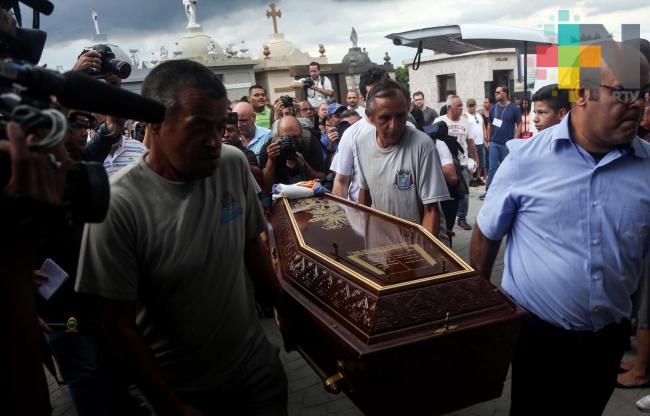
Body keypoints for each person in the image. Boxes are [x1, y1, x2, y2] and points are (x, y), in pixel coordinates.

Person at [75, 59, 288, 416]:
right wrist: (170, 405)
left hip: (256, 371)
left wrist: (286, 309)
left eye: (220, 127)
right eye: (199, 128)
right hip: (185, 391)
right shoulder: (118, 206)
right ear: (156, 123)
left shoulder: (232, 165)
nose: (213, 142)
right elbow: (119, 328)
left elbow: (252, 246)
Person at [470, 41, 650, 416]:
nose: (639, 104)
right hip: (539, 337)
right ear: (583, 93)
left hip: (608, 338)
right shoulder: (526, 160)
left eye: (645, 93)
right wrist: (479, 308)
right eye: (626, 92)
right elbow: (486, 232)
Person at [355, 79, 449, 237]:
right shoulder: (362, 143)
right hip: (385, 242)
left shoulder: (422, 145)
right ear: (370, 117)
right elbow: (364, 193)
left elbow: (431, 210)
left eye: (400, 116)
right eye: (385, 118)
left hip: (423, 242)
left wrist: (421, 253)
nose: (394, 125)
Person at [331, 67, 390, 202]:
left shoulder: (410, 131)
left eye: (384, 94)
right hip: (362, 217)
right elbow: (341, 182)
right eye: (374, 96)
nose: (380, 101)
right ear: (363, 99)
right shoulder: (351, 134)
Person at [433, 96, 478, 231]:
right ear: (449, 107)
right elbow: (429, 140)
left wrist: (476, 157)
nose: (461, 108)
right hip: (443, 166)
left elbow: (470, 142)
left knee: (463, 193)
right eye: (458, 105)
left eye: (461, 106)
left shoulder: (466, 122)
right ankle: (443, 219)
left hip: (462, 164)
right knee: (444, 194)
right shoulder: (439, 121)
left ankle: (462, 218)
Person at [259, 116, 326, 197]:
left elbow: (322, 179)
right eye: (286, 137)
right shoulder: (270, 149)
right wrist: (271, 160)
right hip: (279, 196)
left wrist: (305, 165)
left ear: (301, 134)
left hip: (307, 194)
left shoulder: (310, 143)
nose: (291, 141)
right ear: (278, 136)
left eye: (295, 137)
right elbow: (266, 189)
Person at [481, 85, 521, 200]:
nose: (495, 94)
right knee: (492, 168)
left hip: (507, 144)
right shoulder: (493, 108)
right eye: (495, 92)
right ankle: (489, 191)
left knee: (506, 168)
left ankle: (505, 191)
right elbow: (489, 124)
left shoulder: (514, 108)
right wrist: (488, 140)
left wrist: (514, 140)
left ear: (505, 94)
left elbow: (519, 125)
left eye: (498, 92)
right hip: (494, 142)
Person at [465, 98, 486, 186]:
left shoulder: (479, 115)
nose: (472, 107)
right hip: (471, 143)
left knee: (481, 161)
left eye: (473, 105)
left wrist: (485, 138)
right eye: (470, 106)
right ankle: (471, 179)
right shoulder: (465, 116)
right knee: (471, 162)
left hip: (480, 141)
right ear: (467, 107)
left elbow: (483, 126)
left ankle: (477, 177)